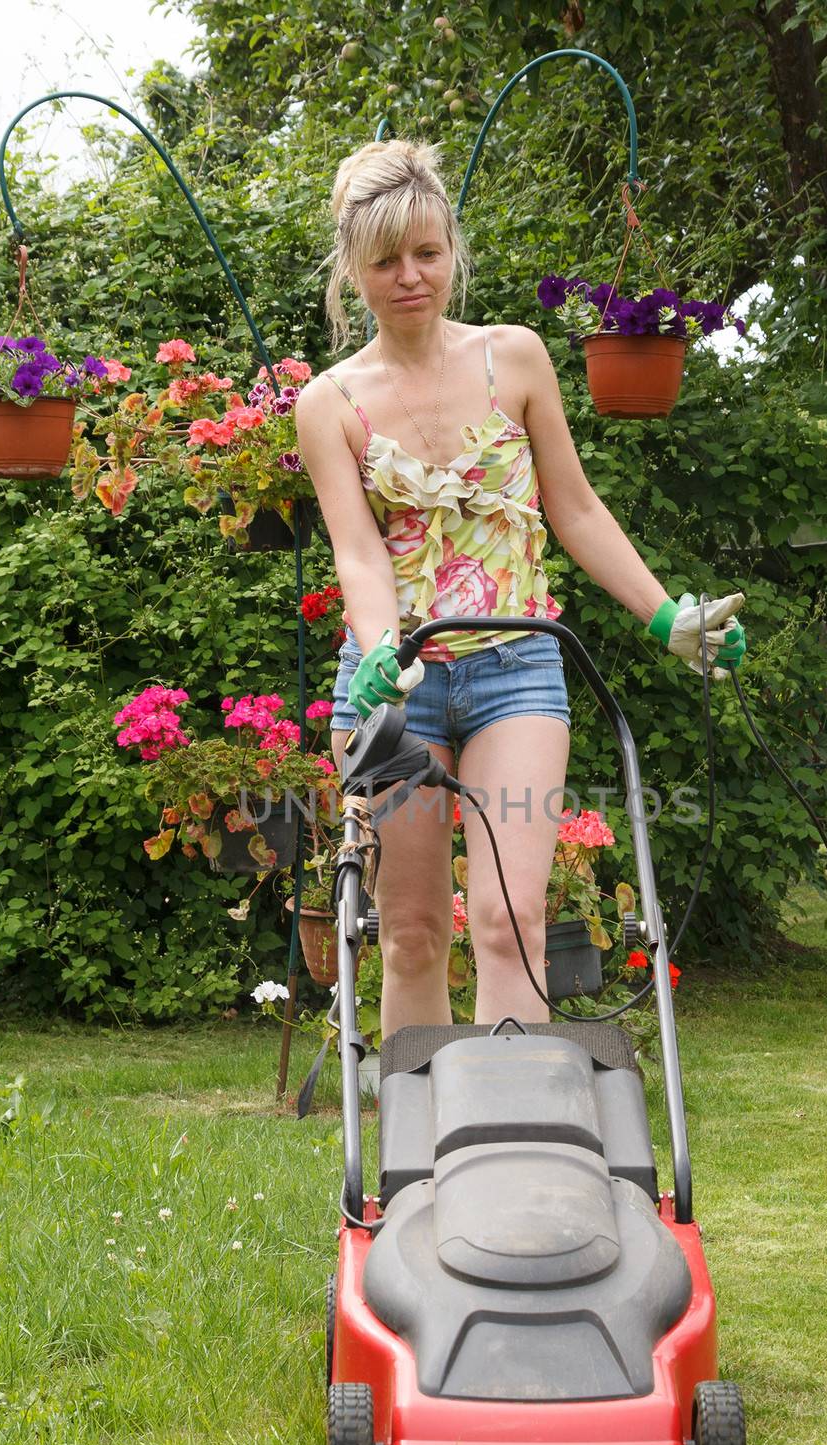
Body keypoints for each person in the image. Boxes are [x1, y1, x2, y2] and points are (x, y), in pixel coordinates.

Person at [295, 140, 746, 1040]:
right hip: (397, 689)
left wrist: (669, 618)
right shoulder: (329, 402)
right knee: (414, 935)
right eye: (385, 261)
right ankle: (419, 1160)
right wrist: (385, 651)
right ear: (355, 270)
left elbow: (574, 512)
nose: (410, 276)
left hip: (517, 671)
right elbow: (358, 555)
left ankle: (508, 1147)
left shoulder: (519, 359)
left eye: (426, 252)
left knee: (511, 921)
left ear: (451, 248)